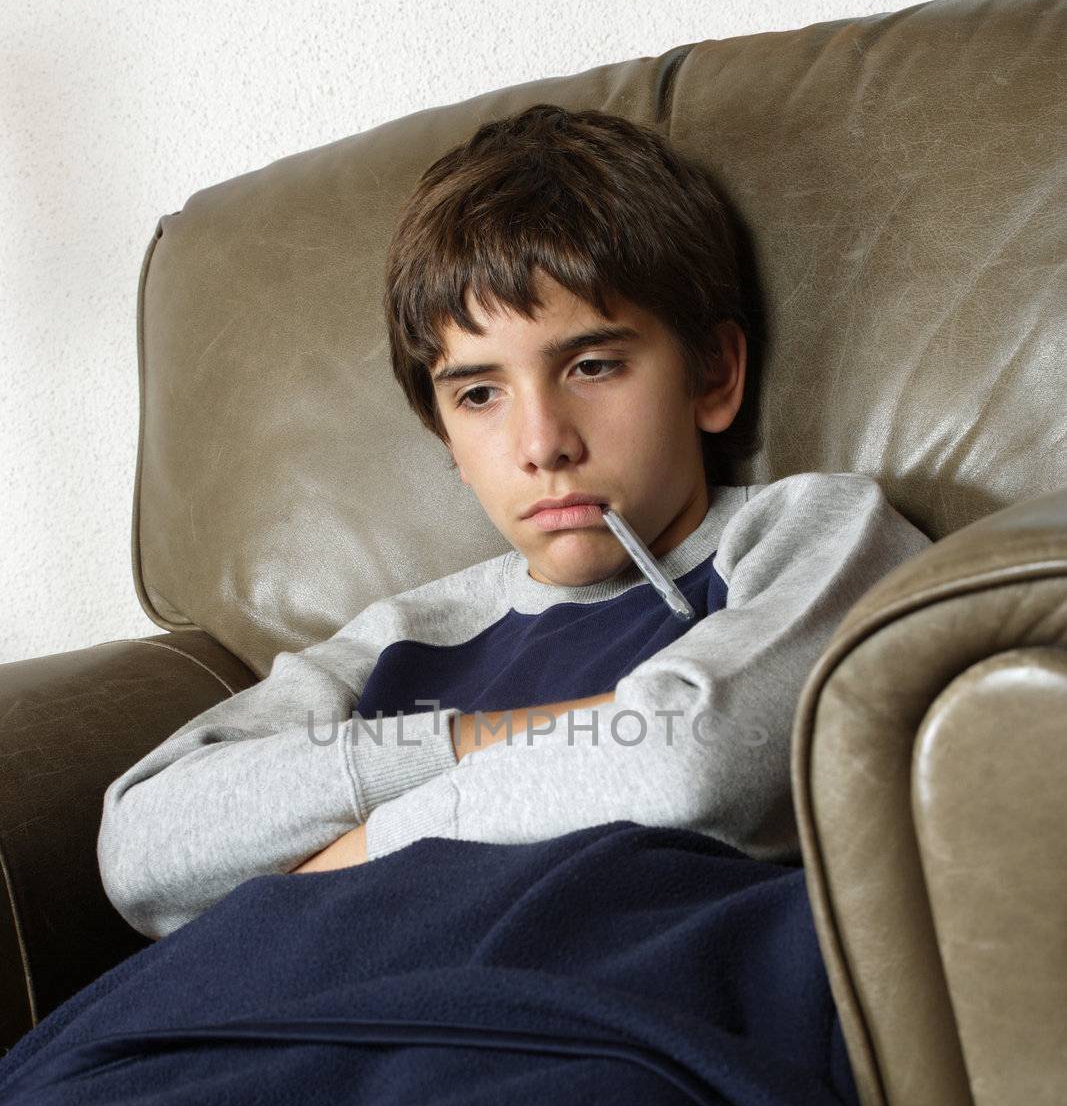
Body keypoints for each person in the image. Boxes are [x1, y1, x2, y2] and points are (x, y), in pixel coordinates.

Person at [97, 103, 931, 941]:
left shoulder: (807, 530)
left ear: (712, 374)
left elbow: (691, 756)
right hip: (234, 1009)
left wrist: (367, 845)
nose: (542, 444)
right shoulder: (399, 636)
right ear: (444, 434)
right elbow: (144, 843)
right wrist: (480, 741)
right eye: (479, 394)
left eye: (593, 365)